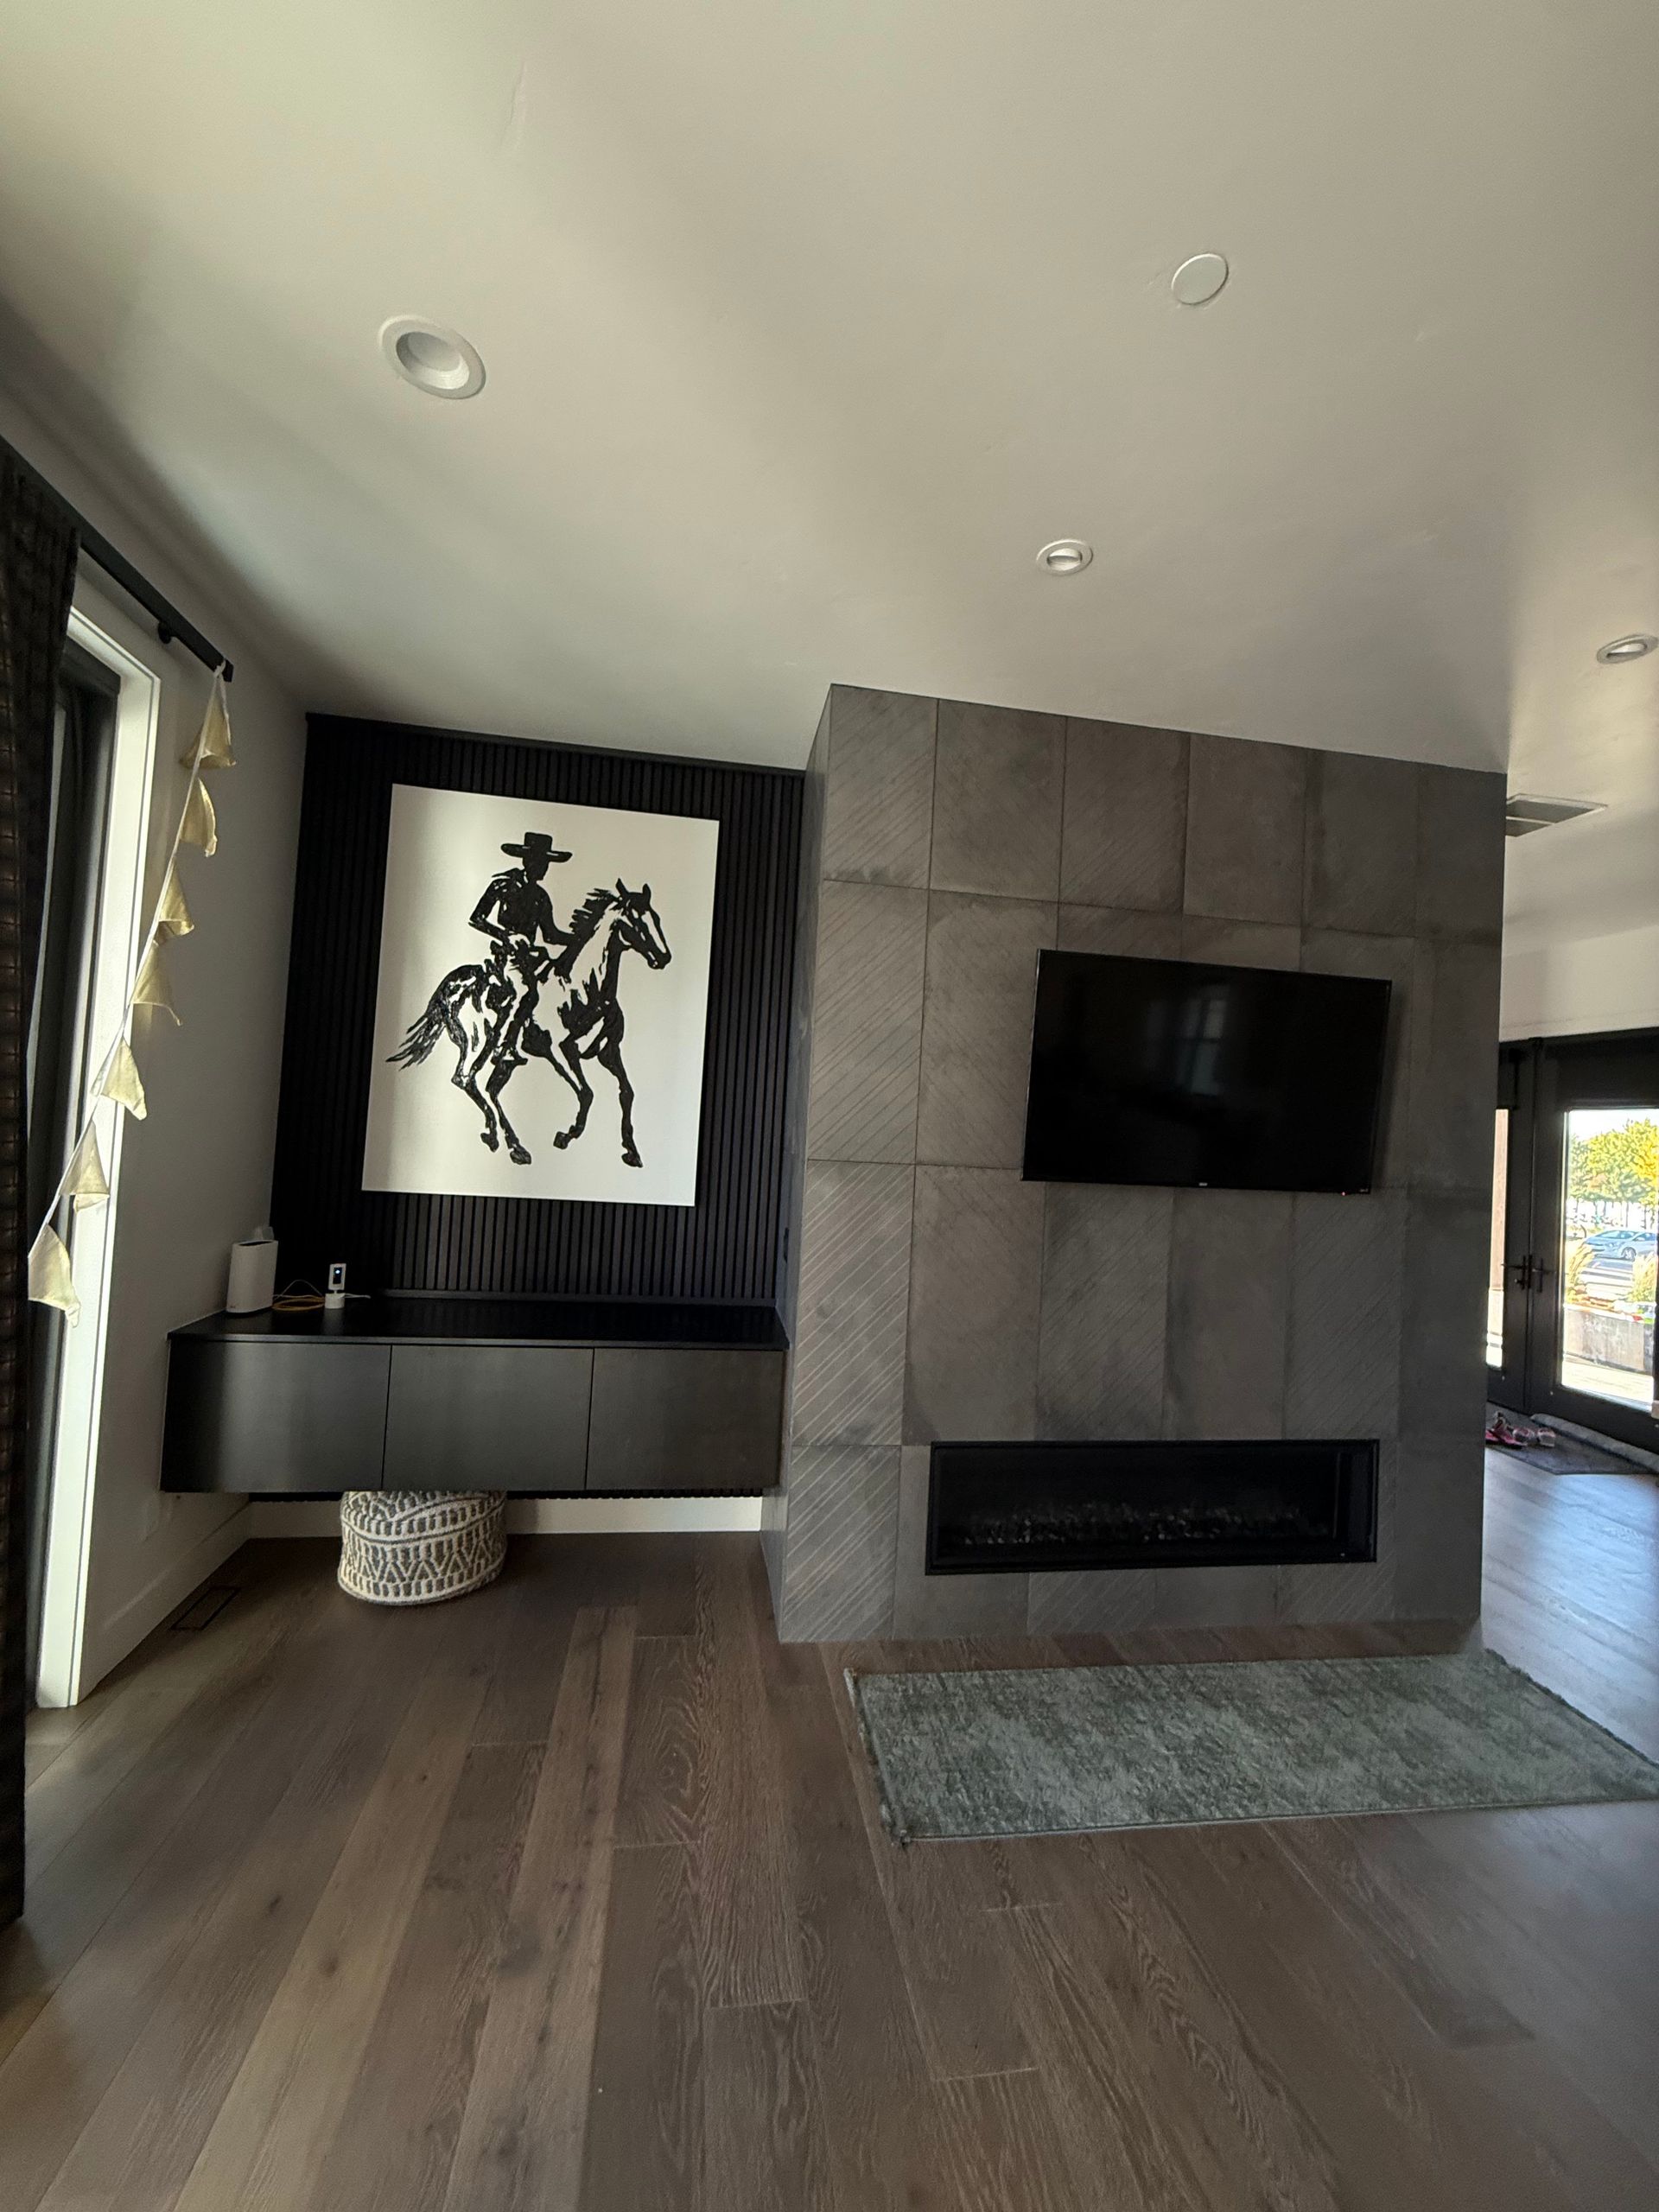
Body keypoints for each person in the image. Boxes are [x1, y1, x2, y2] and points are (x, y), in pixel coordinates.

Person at [468, 829, 571, 1062]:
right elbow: (477, 918)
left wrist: (579, 937)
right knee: (525, 991)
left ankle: (536, 1032)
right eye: (540, 861)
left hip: (531, 955)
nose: (544, 867)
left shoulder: (542, 896)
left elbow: (550, 935)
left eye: (546, 863)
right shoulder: (504, 885)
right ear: (527, 861)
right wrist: (507, 936)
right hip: (505, 954)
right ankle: (502, 1046)